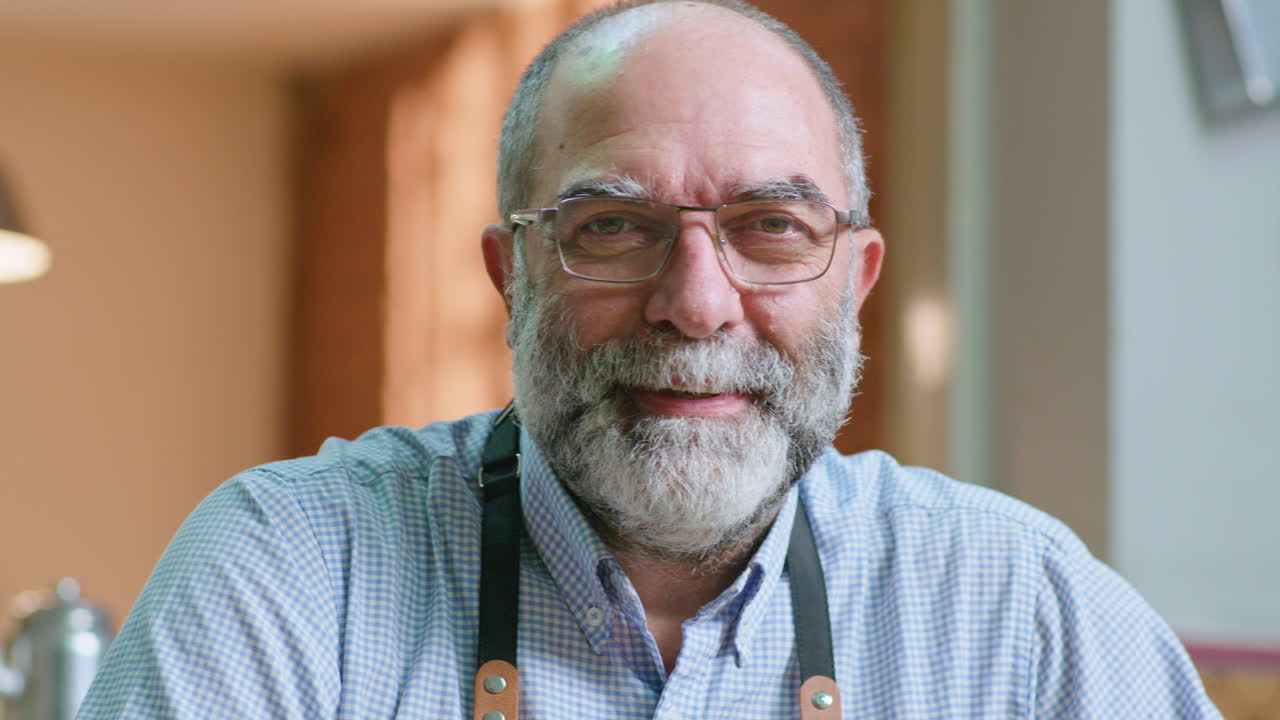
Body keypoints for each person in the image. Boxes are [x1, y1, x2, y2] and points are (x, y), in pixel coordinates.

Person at [80, 1, 1221, 717]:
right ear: (509, 275)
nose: (692, 304)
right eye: (612, 228)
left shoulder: (1017, 612)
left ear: (856, 280)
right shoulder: (287, 577)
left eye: (772, 227)